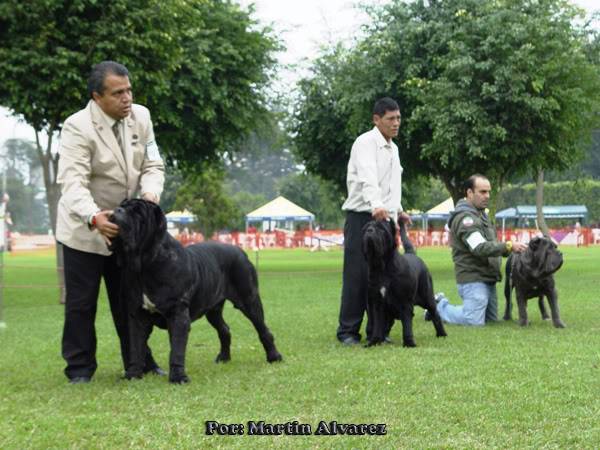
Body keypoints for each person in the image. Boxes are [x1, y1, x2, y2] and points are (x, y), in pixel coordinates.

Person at [56, 61, 165, 383]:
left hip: (128, 232)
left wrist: (149, 196)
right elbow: (72, 182)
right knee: (81, 304)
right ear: (96, 97)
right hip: (84, 229)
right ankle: (79, 370)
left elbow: (153, 164)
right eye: (118, 93)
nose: (127, 98)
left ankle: (139, 362)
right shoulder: (76, 127)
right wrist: (93, 217)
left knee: (130, 301)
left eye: (129, 90)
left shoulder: (141, 117)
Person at [336, 97, 411, 345]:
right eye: (391, 118)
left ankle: (377, 331)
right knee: (358, 274)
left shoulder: (394, 148)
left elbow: (393, 184)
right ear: (376, 119)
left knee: (385, 274)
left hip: (385, 220)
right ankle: (348, 331)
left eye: (398, 118)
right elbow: (368, 177)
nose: (396, 123)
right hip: (363, 217)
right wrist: (376, 205)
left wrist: (398, 210)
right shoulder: (365, 143)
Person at [429, 174, 527, 326]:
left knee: (491, 321)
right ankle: (439, 306)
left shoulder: (482, 215)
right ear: (469, 193)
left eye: (488, 192)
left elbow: (490, 244)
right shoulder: (465, 218)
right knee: (473, 321)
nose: (487, 196)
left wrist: (510, 249)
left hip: (488, 278)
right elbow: (479, 247)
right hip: (473, 278)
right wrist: (508, 246)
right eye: (482, 192)